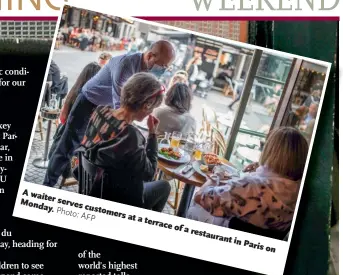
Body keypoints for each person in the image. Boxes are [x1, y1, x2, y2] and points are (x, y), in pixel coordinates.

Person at [43, 40, 175, 187]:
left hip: (105, 108)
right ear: (150, 56)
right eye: (163, 65)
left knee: (95, 150)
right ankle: (48, 184)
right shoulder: (126, 64)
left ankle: (85, 176)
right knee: (67, 146)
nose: (164, 69)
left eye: (167, 67)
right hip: (89, 101)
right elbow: (123, 104)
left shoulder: (147, 70)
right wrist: (132, 133)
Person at [186, 127, 309, 233]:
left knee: (193, 209)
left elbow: (200, 197)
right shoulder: (300, 193)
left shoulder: (252, 187)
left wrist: (216, 176)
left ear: (271, 152)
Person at [78, 72, 170, 211]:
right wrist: (152, 135)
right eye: (152, 108)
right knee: (164, 186)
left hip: (94, 187)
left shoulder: (100, 111)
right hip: (119, 199)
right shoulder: (130, 135)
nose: (150, 112)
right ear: (146, 105)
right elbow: (149, 174)